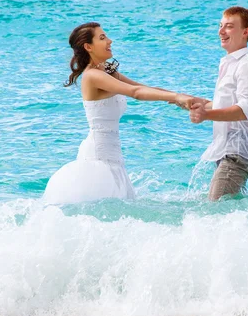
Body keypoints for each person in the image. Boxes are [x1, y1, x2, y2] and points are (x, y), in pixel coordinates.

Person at [43, 22, 194, 204]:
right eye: (102, 38)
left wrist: (181, 99)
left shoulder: (106, 71)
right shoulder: (92, 75)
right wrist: (177, 97)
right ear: (88, 47)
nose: (109, 40)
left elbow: (142, 87)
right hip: (99, 158)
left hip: (113, 156)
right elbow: (135, 93)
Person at [189, 7, 248, 201]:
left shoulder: (247, 64)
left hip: (237, 153)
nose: (221, 31)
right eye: (220, 26)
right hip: (227, 149)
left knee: (213, 208)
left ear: (245, 32)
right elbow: (227, 102)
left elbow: (245, 109)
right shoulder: (228, 63)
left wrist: (206, 115)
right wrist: (203, 105)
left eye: (229, 27)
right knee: (225, 208)